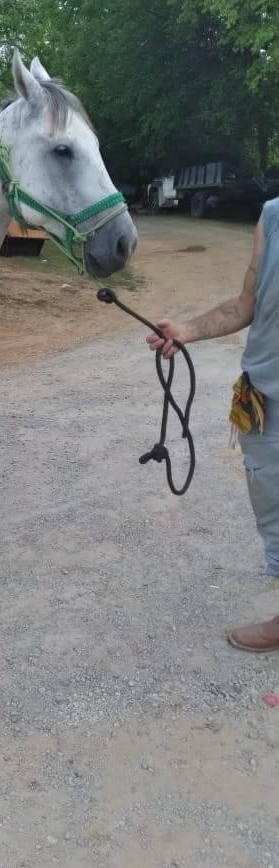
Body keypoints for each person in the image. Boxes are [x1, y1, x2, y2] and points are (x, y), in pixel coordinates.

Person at [146, 197, 279, 652]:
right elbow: (245, 304)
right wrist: (187, 330)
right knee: (274, 507)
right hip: (268, 401)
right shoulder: (272, 216)